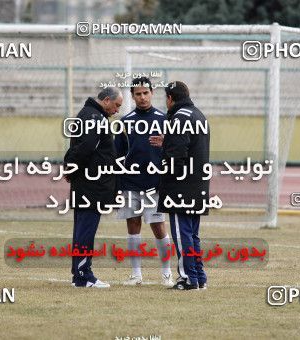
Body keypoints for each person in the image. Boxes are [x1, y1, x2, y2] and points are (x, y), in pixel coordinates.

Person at [114, 77, 174, 287]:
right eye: (138, 94)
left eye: (145, 93)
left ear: (152, 93)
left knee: (159, 226)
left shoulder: (164, 119)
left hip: (155, 183)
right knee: (133, 226)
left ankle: (167, 274)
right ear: (132, 96)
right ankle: (136, 274)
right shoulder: (125, 122)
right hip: (130, 182)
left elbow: (173, 151)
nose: (142, 97)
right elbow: (117, 155)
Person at [64, 87, 123, 288]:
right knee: (86, 230)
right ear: (106, 100)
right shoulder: (95, 118)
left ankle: (78, 273)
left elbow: (77, 148)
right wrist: (71, 168)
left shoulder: (87, 114)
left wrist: (70, 167)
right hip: (92, 185)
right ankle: (83, 275)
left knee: (82, 228)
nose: (117, 111)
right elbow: (85, 149)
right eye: (116, 105)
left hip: (87, 183)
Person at [158, 81, 210, 290]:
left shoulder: (179, 118)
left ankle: (188, 278)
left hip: (181, 187)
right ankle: (199, 277)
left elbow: (176, 156)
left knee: (181, 234)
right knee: (192, 234)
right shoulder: (199, 115)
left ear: (170, 98)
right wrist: (168, 141)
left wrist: (163, 176)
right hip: (198, 185)